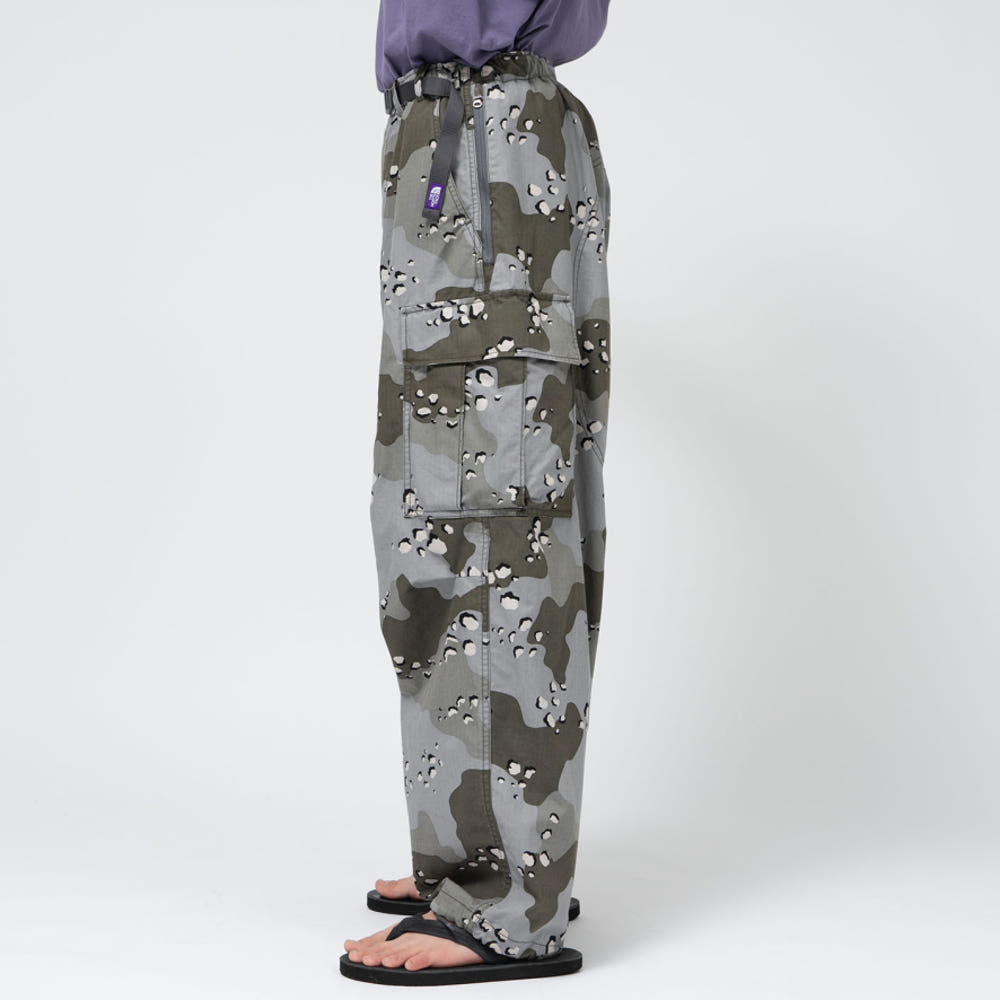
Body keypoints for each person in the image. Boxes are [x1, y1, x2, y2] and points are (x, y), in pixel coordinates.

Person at [341, 0, 612, 985]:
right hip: (468, 138)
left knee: (488, 526)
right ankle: (471, 855)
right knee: (439, 510)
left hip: (482, 132)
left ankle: (505, 900)